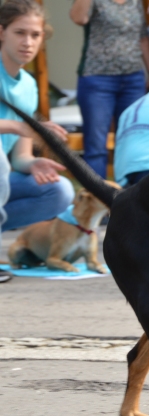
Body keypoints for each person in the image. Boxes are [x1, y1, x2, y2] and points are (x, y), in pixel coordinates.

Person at [0, 0, 72, 241]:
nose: (27, 42)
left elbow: (19, 156)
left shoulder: (29, 86)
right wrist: (21, 127)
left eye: (35, 35)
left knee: (59, 190)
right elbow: (18, 131)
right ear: (1, 32)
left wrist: (32, 164)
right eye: (19, 33)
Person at [70, 0, 149, 179]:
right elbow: (78, 17)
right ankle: (98, 201)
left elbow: (143, 38)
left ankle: (130, 197)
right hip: (97, 81)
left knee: (133, 141)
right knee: (96, 146)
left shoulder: (135, 2)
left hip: (133, 80)